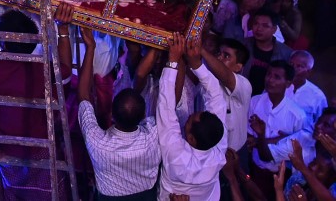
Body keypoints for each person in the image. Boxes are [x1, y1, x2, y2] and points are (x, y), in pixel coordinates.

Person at [0, 5, 77, 200]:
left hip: (7, 152)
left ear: (3, 42)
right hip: (39, 150)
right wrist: (63, 30)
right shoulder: (41, 72)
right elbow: (64, 70)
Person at [76, 24, 160, 200]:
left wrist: (90, 47)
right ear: (144, 116)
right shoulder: (154, 136)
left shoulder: (97, 142)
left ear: (112, 115)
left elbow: (83, 94)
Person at [157, 33, 227, 201]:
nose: (188, 117)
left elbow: (165, 106)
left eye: (188, 121)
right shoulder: (218, 149)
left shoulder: (176, 155)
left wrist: (173, 60)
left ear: (190, 138)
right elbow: (216, 96)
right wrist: (197, 65)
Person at [247, 61, 310, 195]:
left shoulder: (297, 115)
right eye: (268, 74)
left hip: (280, 174)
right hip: (255, 167)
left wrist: (262, 140)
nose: (270, 80)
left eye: (277, 77)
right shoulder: (255, 101)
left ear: (288, 83)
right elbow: (249, 135)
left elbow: (297, 146)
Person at [200, 38, 253, 153]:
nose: (219, 58)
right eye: (218, 53)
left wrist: (201, 50)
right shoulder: (207, 77)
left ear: (238, 67)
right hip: (209, 151)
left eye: (226, 56)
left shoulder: (244, 84)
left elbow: (226, 76)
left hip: (234, 153)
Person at [242, 10, 293, 95]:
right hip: (241, 95)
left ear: (274, 29)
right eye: (256, 24)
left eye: (265, 26)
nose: (258, 29)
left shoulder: (286, 53)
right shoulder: (242, 45)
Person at [287, 50, 328, 126]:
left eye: (299, 66)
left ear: (309, 72)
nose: (293, 69)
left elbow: (321, 124)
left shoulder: (318, 96)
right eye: (291, 64)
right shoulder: (277, 84)